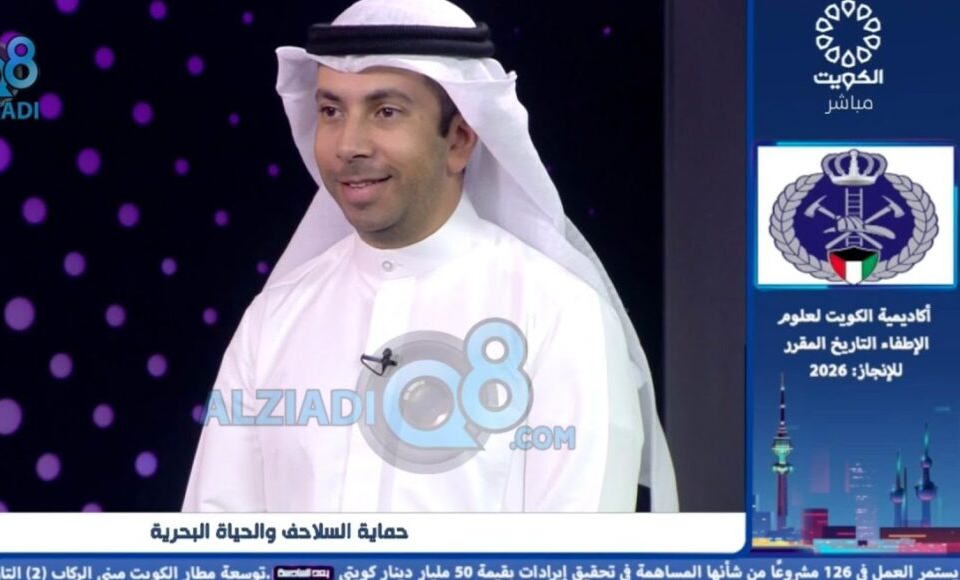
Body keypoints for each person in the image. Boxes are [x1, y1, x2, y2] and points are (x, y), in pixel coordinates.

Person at [183, 0, 678, 512]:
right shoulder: (274, 319)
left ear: (460, 140)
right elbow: (215, 533)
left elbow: (579, 545)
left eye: (386, 111)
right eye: (331, 111)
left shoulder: (560, 316)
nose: (348, 145)